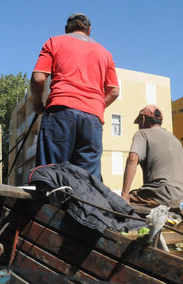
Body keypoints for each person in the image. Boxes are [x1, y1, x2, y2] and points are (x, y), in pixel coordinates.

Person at [31, 13, 120, 179]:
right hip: (92, 121)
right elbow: (114, 91)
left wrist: (38, 103)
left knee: (52, 177)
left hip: (60, 112)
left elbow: (38, 78)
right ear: (89, 30)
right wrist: (96, 106)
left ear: (66, 29)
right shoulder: (105, 53)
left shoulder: (54, 42)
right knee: (87, 182)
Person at [121, 105, 183, 209]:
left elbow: (132, 158)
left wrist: (124, 195)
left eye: (139, 122)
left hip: (160, 194)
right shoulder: (175, 140)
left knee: (118, 203)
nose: (138, 125)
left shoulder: (142, 133)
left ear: (143, 120)